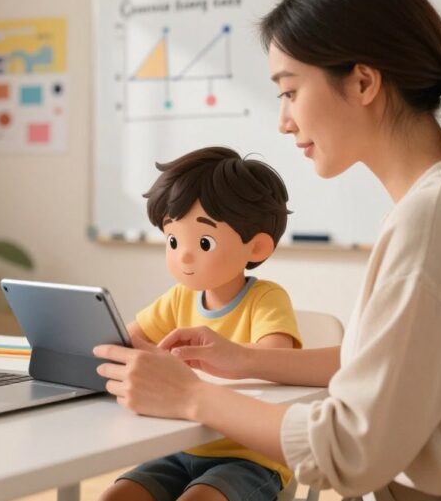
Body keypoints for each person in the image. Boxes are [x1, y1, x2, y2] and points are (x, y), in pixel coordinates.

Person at [94, 0, 441, 501]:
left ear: (364, 81)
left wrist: (190, 398)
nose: (284, 120)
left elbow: (348, 452)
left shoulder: (434, 221)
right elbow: (384, 366)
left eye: (290, 91)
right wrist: (243, 357)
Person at [103, 146, 302, 501]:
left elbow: (275, 358)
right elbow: (128, 340)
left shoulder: (266, 298)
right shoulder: (179, 297)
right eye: (173, 240)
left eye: (204, 241)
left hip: (249, 455)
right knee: (114, 496)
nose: (184, 255)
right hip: (180, 447)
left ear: (255, 248)